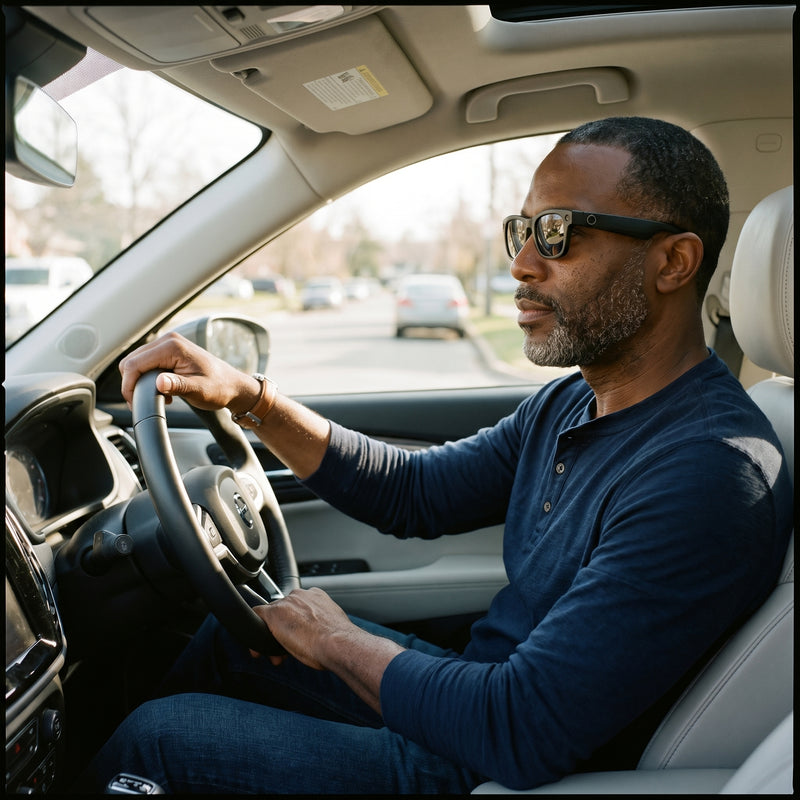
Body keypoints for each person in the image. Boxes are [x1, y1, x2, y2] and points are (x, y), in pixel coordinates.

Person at [80, 117, 792, 793]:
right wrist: (253, 401)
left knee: (159, 739)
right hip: (477, 694)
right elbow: (413, 492)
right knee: (232, 636)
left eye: (557, 234)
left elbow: (521, 727)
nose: (520, 264)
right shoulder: (573, 401)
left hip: (493, 765)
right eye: (521, 230)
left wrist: (333, 641)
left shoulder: (712, 472)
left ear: (673, 261)